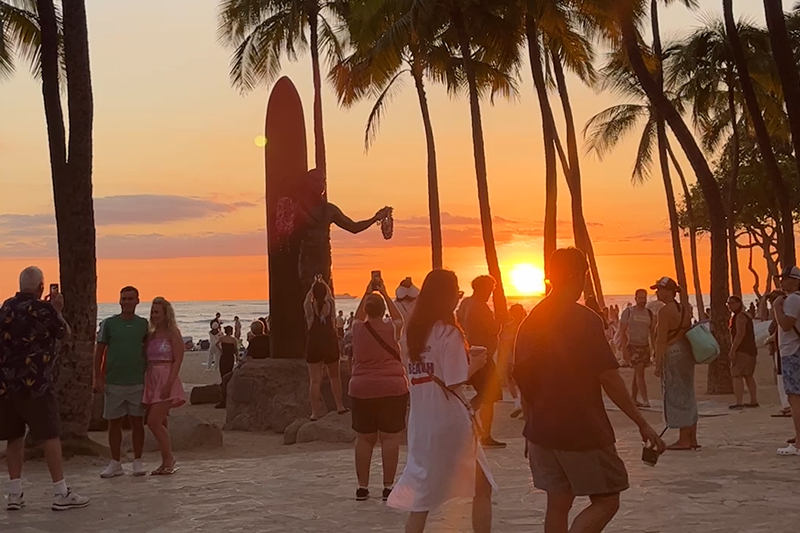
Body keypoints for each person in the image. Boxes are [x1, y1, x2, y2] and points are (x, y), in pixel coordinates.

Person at [513, 249, 665, 533]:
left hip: (541, 430)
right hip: (580, 428)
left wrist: (530, 424)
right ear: (577, 276)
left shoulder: (530, 322)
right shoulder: (584, 320)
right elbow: (609, 377)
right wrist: (642, 423)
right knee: (608, 499)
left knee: (558, 502)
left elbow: (524, 379)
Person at [388, 270, 496, 533]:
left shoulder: (410, 334)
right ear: (446, 296)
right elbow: (455, 379)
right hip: (450, 421)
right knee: (482, 488)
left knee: (422, 497)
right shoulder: (448, 333)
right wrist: (477, 363)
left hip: (421, 423)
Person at [0, 266, 89, 511]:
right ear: (41, 287)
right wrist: (57, 311)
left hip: (7, 386)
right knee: (50, 435)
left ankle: (15, 493)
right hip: (36, 384)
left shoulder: (5, 307)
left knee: (14, 437)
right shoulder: (44, 309)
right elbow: (65, 333)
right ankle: (60, 491)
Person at [349, 276, 408, 502]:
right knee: (390, 439)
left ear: (366, 309)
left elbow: (357, 317)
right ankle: (388, 487)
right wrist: (384, 293)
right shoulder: (392, 328)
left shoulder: (357, 329)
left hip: (362, 387)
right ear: (382, 309)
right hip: (392, 386)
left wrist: (367, 292)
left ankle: (362, 487)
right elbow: (399, 318)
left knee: (364, 439)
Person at [94, 286, 150, 479]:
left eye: (130, 298)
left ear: (137, 301)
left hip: (136, 381)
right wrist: (98, 377)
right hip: (114, 381)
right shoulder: (109, 324)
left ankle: (138, 461)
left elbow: (148, 350)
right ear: (119, 301)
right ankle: (115, 462)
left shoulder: (143, 324)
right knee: (114, 423)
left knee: (137, 423)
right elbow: (99, 351)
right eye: (123, 298)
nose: (126, 302)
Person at [457, 275, 506, 449]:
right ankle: (483, 432)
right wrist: (500, 321)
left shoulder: (466, 303)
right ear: (484, 289)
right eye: (490, 290)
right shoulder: (480, 306)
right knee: (489, 394)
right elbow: (492, 329)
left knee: (485, 393)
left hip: (470, 352)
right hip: (482, 355)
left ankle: (468, 417)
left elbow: (459, 320)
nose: (490, 294)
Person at [652, 277, 698, 450]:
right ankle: (692, 436)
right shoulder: (684, 309)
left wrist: (657, 363)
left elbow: (661, 340)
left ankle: (683, 439)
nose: (656, 292)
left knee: (676, 394)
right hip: (686, 350)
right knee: (688, 392)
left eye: (659, 289)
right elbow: (685, 331)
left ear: (669, 292)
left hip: (672, 353)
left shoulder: (664, 312)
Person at [143, 297, 186, 475]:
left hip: (166, 376)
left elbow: (178, 359)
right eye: (152, 312)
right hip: (151, 376)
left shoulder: (172, 333)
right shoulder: (151, 335)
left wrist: (169, 382)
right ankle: (165, 461)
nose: (154, 315)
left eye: (157, 312)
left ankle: (169, 459)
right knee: (162, 422)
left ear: (165, 314)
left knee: (153, 422)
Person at [304, 277, 347, 420]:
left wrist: (313, 286)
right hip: (329, 341)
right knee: (335, 376)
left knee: (315, 380)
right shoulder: (330, 305)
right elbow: (330, 296)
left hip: (314, 343)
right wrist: (324, 283)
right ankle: (340, 406)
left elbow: (307, 300)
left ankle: (314, 412)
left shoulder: (310, 308)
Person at [774, 265, 800, 456]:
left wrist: (776, 308)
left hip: (793, 351)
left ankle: (798, 443)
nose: (782, 281)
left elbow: (786, 324)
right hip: (795, 350)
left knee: (794, 398)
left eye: (785, 278)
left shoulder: (792, 300)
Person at [217, 321, 270, 409]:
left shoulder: (254, 342)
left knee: (226, 378)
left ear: (253, 331)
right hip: (262, 364)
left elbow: (249, 356)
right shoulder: (268, 339)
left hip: (252, 366)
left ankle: (224, 401)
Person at [618, 289, 656, 407]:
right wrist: (624, 350)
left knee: (638, 372)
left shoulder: (649, 313)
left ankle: (633, 398)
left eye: (644, 298)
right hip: (632, 346)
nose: (642, 300)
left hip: (645, 346)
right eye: (640, 298)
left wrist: (654, 349)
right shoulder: (628, 312)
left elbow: (652, 333)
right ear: (635, 299)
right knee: (640, 373)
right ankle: (645, 400)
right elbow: (622, 332)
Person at [727, 295, 759, 409]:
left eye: (732, 303)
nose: (730, 306)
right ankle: (753, 400)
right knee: (748, 375)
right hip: (751, 349)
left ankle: (739, 402)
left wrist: (733, 350)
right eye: (728, 304)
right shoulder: (746, 316)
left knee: (737, 375)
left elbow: (740, 334)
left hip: (742, 350)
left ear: (739, 303)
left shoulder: (740, 317)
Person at [498, 304, 524, 418]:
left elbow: (504, 341)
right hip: (523, 356)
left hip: (510, 356)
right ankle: (523, 403)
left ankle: (517, 402)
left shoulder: (508, 326)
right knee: (523, 381)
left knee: (509, 379)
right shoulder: (527, 325)